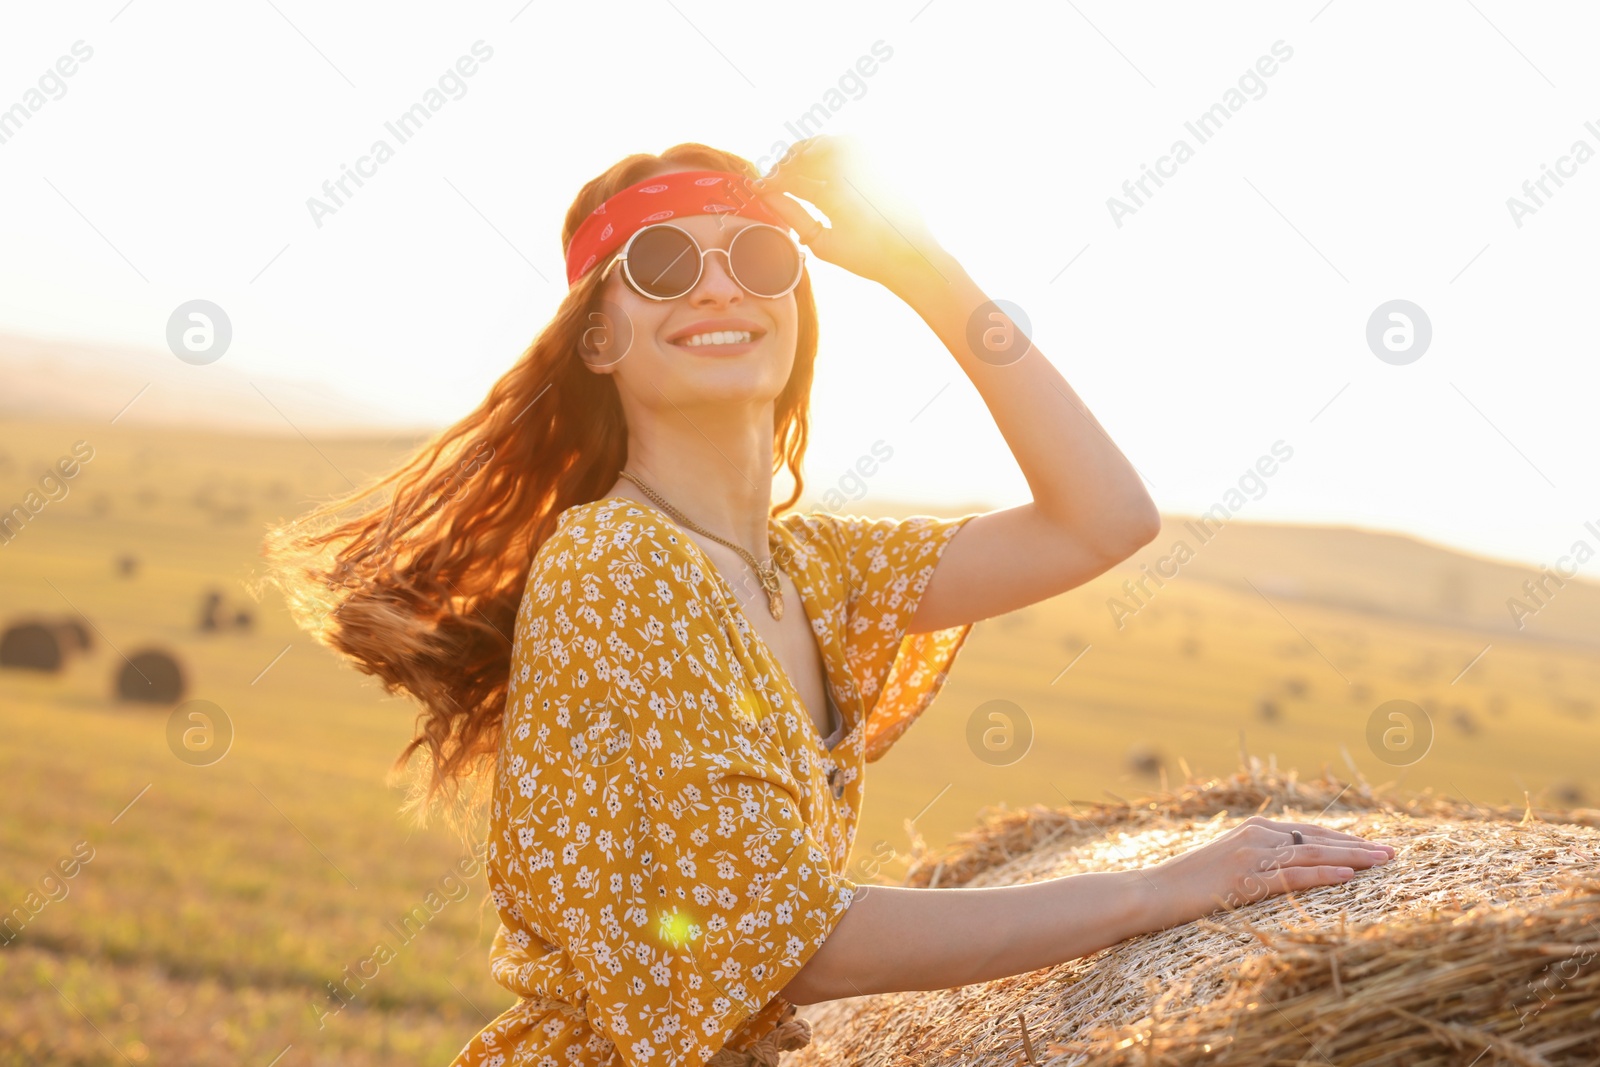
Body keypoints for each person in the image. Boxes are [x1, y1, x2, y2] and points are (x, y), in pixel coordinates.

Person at [258, 136, 1395, 1067]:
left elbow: (1105, 520)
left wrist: (921, 269)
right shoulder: (617, 564)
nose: (717, 285)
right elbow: (791, 942)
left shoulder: (807, 570)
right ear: (596, 335)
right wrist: (1167, 888)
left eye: (757, 257)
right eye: (660, 264)